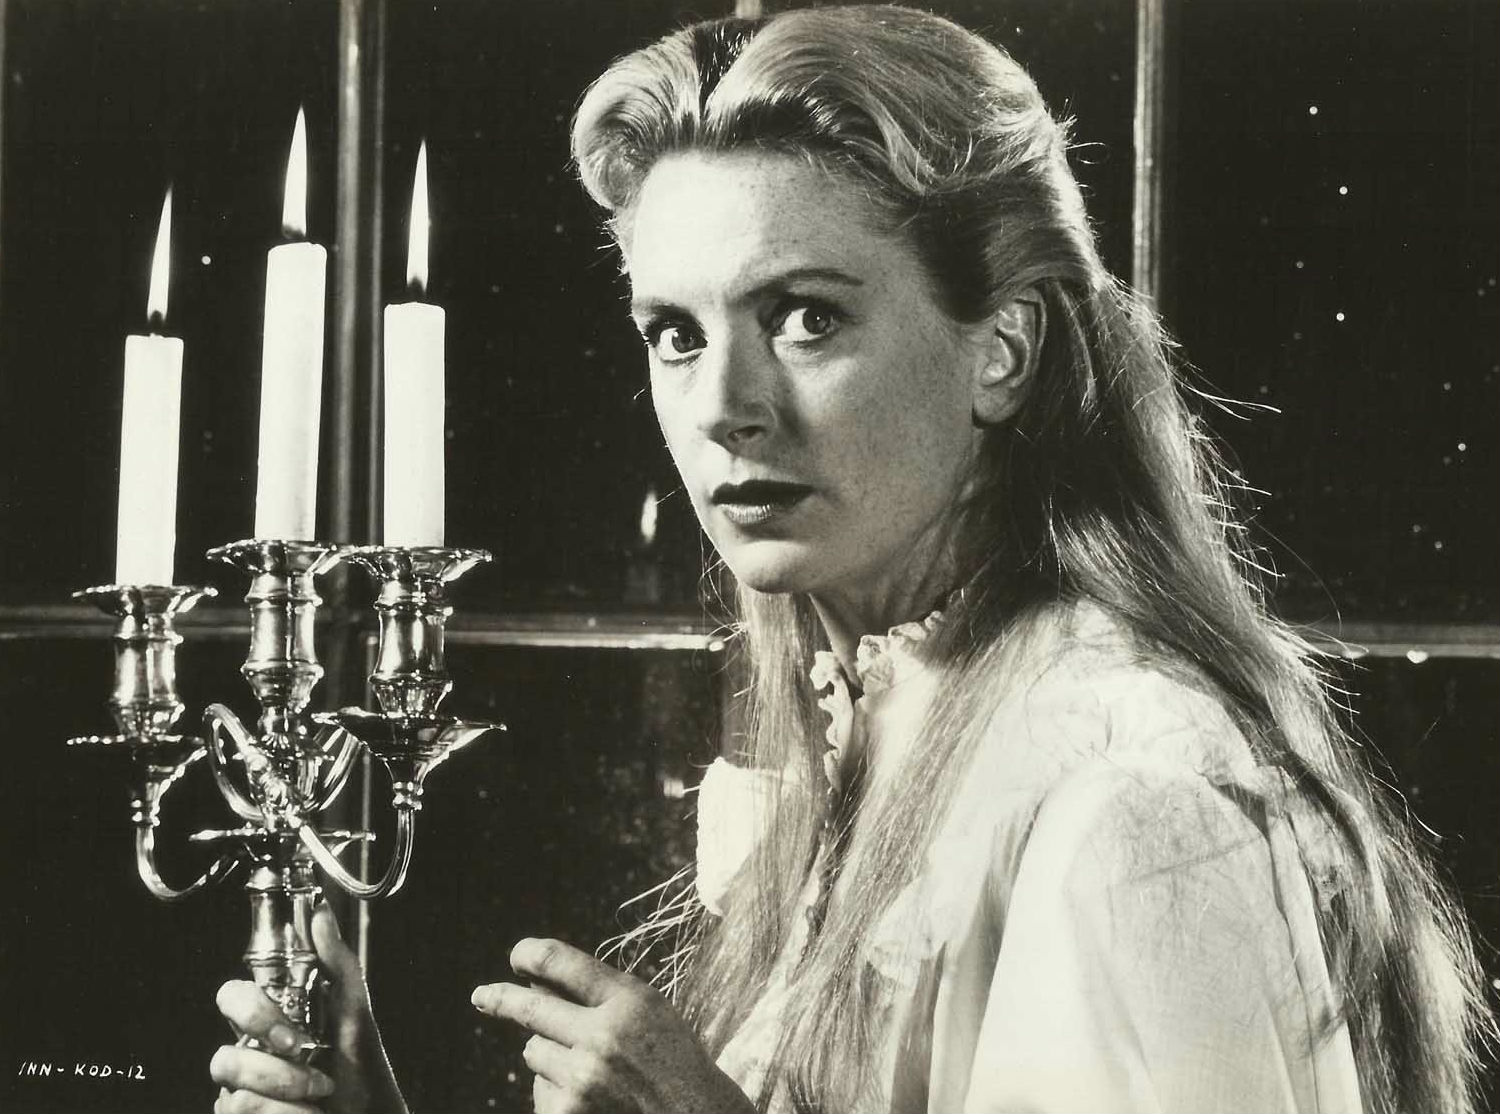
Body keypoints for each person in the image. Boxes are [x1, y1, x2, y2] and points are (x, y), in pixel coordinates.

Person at [209, 7, 1495, 1113]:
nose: (725, 406)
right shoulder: (886, 718)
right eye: (674, 334)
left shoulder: (1130, 800)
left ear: (1003, 350)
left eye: (806, 317)